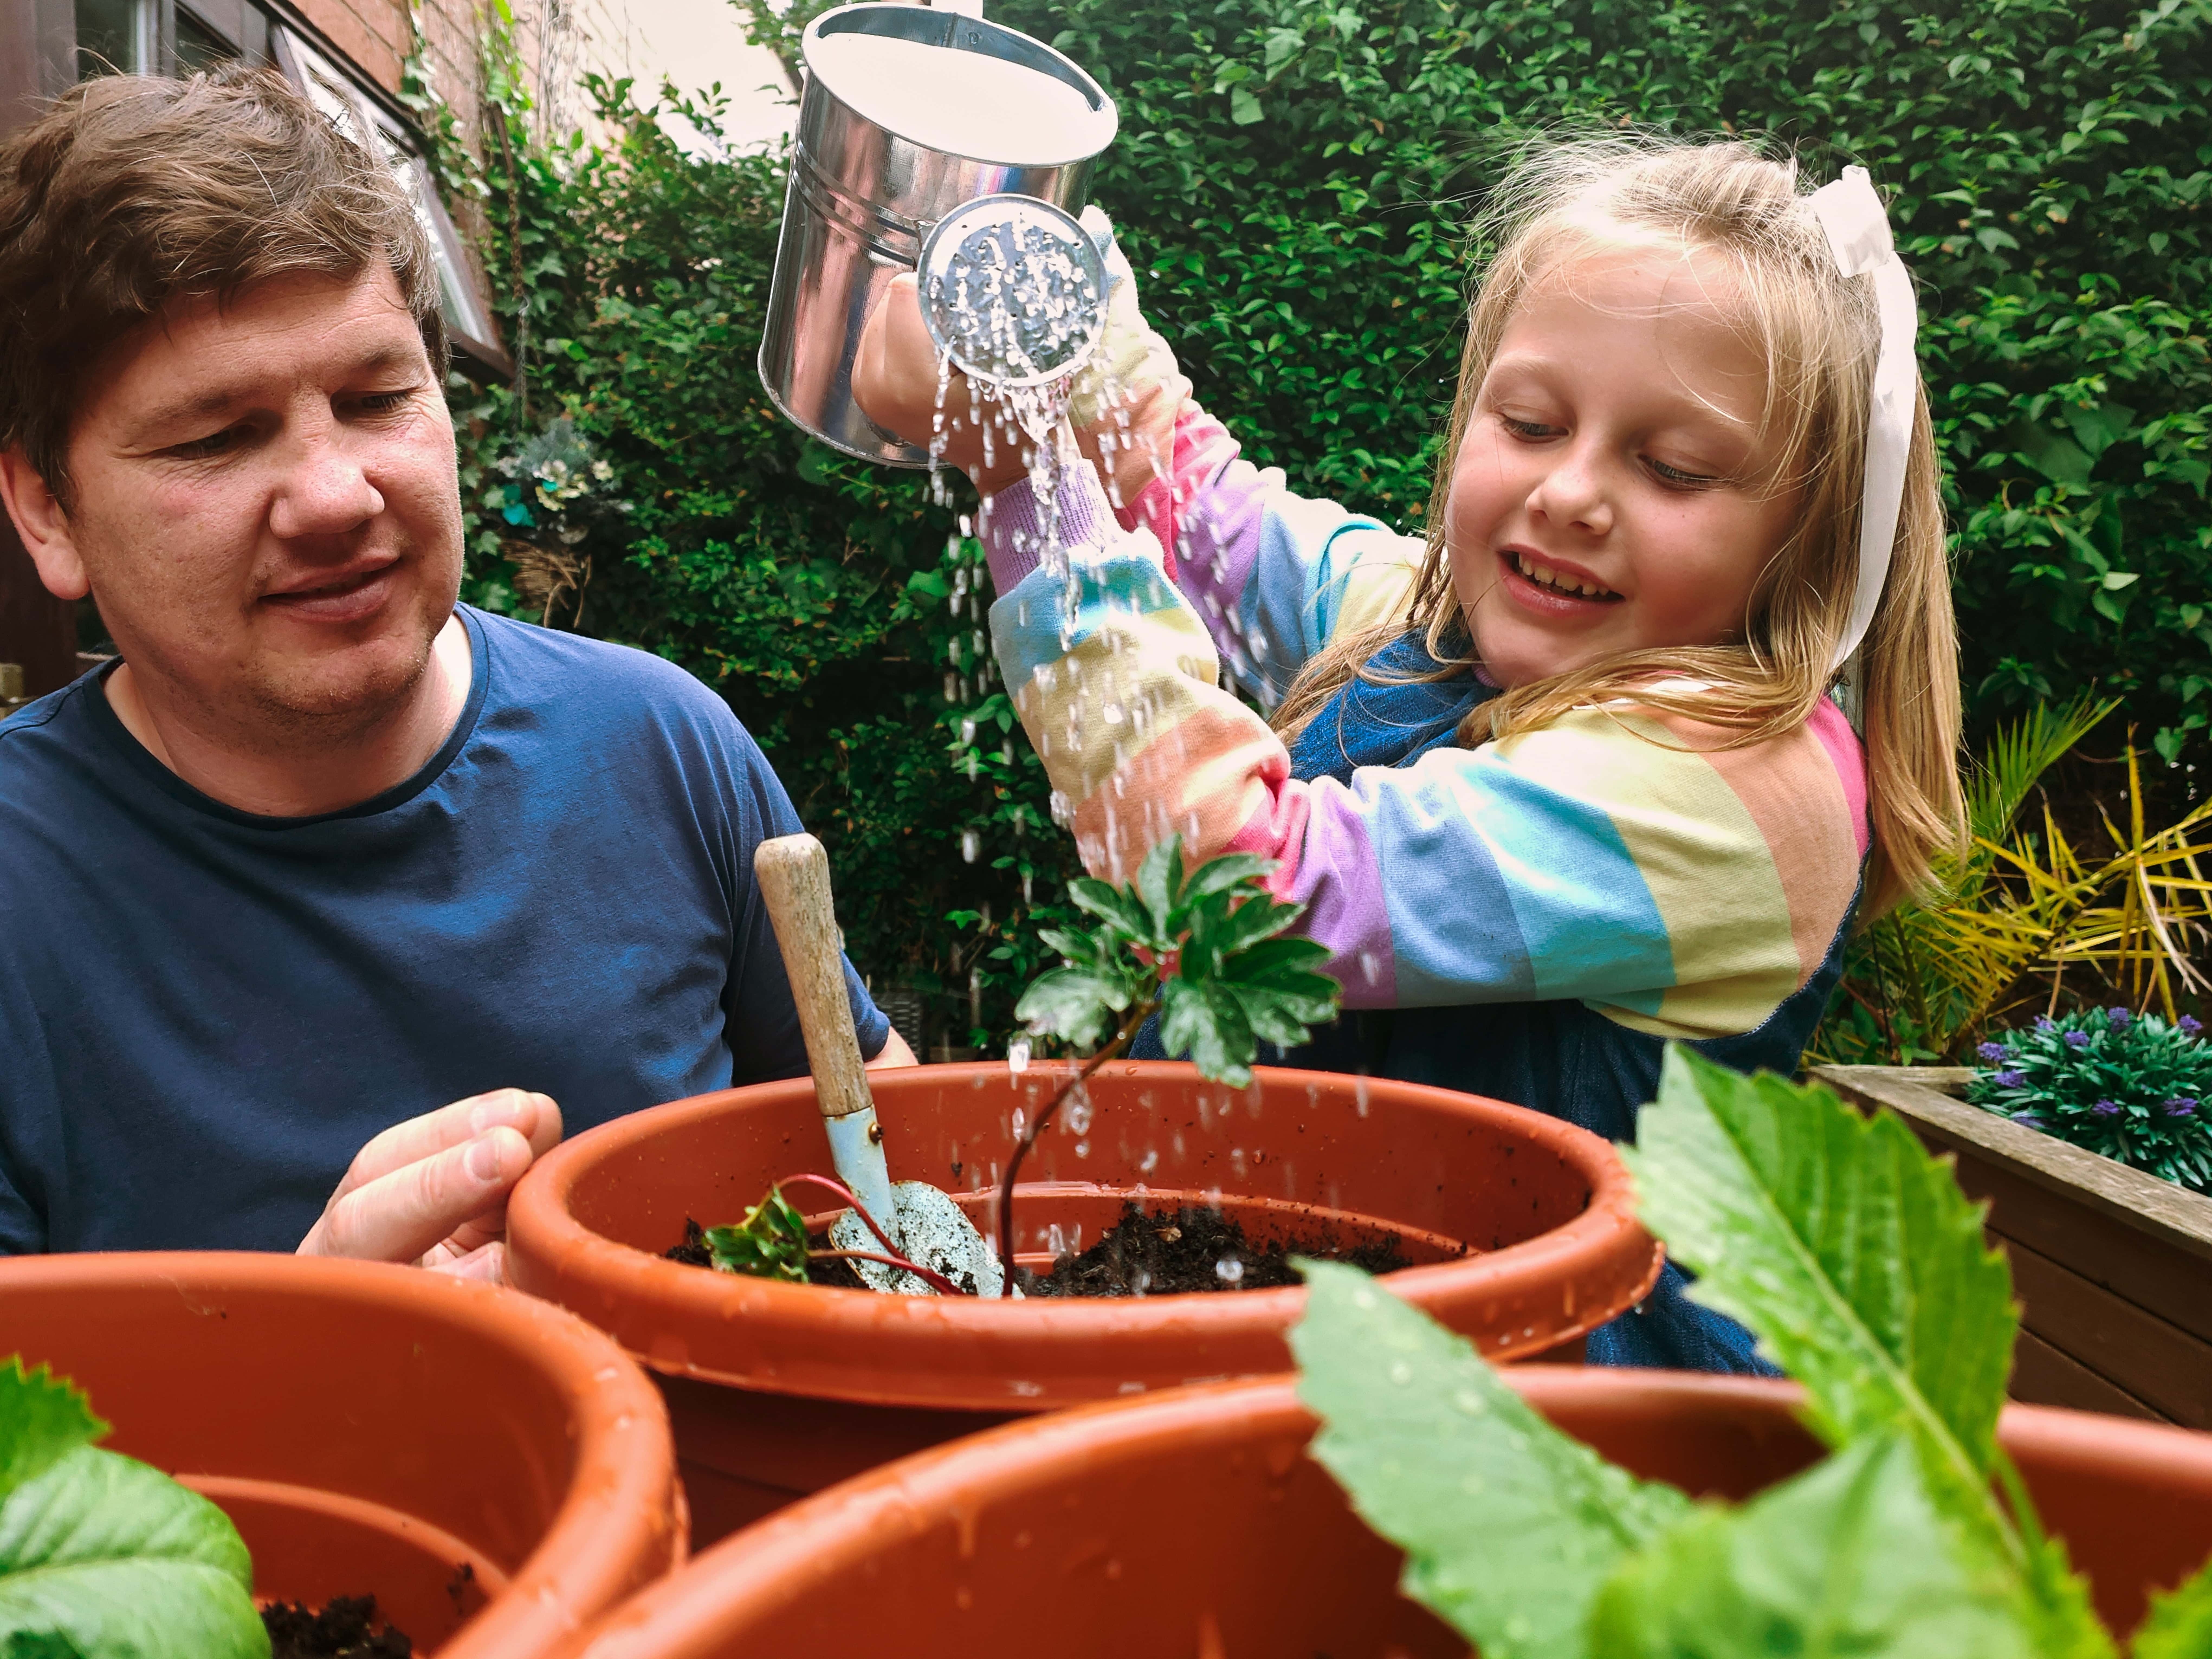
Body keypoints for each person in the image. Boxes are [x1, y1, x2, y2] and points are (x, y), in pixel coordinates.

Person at [854, 138, 1964, 1370]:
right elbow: (1203, 509)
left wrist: (1020, 473)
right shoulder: (1429, 621)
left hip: (1548, 1445)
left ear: (1801, 541)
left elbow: (1234, 892)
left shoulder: (1743, 791)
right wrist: (1058, 294)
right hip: (1315, 1349)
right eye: (1532, 422)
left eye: (1673, 468)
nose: (1571, 493)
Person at [0, 66, 911, 1276]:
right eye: (218, 436)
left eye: (376, 399)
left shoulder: (662, 747)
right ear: (45, 509)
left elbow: (891, 1172)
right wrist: (308, 1367)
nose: (336, 495)